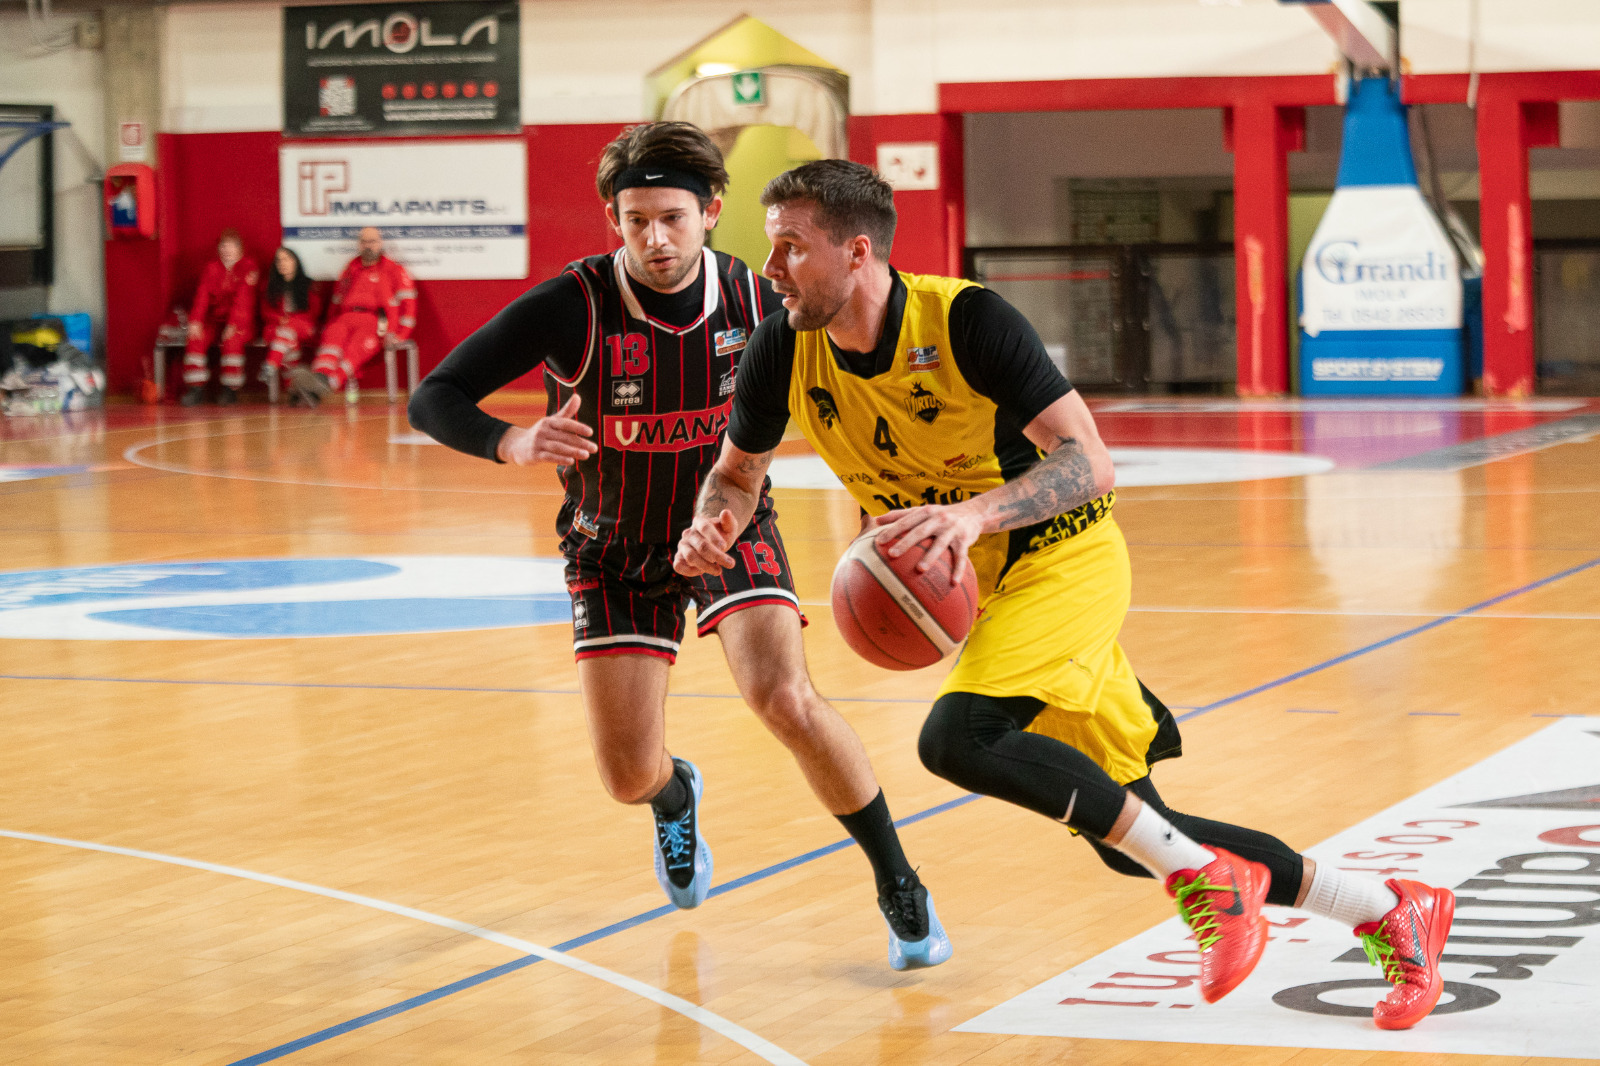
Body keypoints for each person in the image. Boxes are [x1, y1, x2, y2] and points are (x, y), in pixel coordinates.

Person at [675, 159, 1456, 1028]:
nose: (771, 269)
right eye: (770, 248)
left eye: (790, 248)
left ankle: (1208, 880)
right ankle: (1389, 910)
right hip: (983, 589)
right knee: (1138, 837)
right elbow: (736, 475)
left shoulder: (965, 321)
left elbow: (1090, 461)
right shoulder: (781, 348)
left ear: (858, 252)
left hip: (1064, 557)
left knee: (958, 738)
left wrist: (972, 515)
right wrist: (713, 525)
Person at [408, 123, 951, 970]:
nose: (655, 239)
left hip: (730, 526)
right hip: (612, 550)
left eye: (672, 218)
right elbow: (434, 395)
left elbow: (847, 407)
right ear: (613, 222)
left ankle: (898, 881)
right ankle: (674, 795)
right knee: (626, 776)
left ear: (711, 212)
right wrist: (510, 441)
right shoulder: (573, 303)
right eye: (636, 222)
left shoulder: (760, 302)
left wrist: (878, 508)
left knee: (785, 699)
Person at [289, 227, 415, 406]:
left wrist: (400, 334)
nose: (368, 246)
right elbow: (337, 299)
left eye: (372, 241)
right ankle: (318, 379)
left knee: (354, 351)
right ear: (359, 244)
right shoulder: (351, 268)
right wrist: (330, 323)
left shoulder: (394, 270)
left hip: (374, 321)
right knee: (330, 344)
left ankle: (324, 385)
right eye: (364, 242)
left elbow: (408, 305)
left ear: (380, 243)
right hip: (345, 317)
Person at [181, 229, 259, 406]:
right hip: (213, 320)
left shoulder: (248, 268)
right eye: (223, 246)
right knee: (195, 339)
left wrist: (234, 324)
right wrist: (195, 321)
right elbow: (202, 296)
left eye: (231, 246)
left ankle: (230, 390)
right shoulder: (211, 268)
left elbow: (244, 300)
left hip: (241, 321)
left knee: (232, 341)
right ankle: (195, 389)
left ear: (240, 249)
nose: (227, 250)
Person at [260, 246, 325, 401]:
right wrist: (279, 320)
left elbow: (314, 312)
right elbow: (265, 312)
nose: (282, 263)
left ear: (295, 261)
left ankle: (271, 365)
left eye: (286, 259)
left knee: (288, 333)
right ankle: (294, 390)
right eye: (279, 260)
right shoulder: (270, 286)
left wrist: (291, 320)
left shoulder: (308, 284)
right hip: (277, 328)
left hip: (302, 326)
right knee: (290, 342)